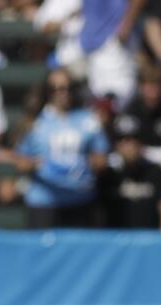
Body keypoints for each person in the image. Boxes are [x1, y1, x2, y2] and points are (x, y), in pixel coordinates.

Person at [13, 69, 109, 228]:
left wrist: (82, 164)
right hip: (44, 199)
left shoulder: (89, 120)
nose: (62, 93)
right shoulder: (35, 122)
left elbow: (101, 158)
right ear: (47, 91)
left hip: (80, 199)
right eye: (55, 89)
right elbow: (21, 160)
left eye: (66, 87)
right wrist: (37, 164)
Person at [100, 115, 161, 232]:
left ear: (141, 142)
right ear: (115, 145)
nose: (129, 144)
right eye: (123, 139)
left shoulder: (156, 173)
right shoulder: (109, 176)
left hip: (150, 243)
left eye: (134, 138)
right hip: (116, 244)